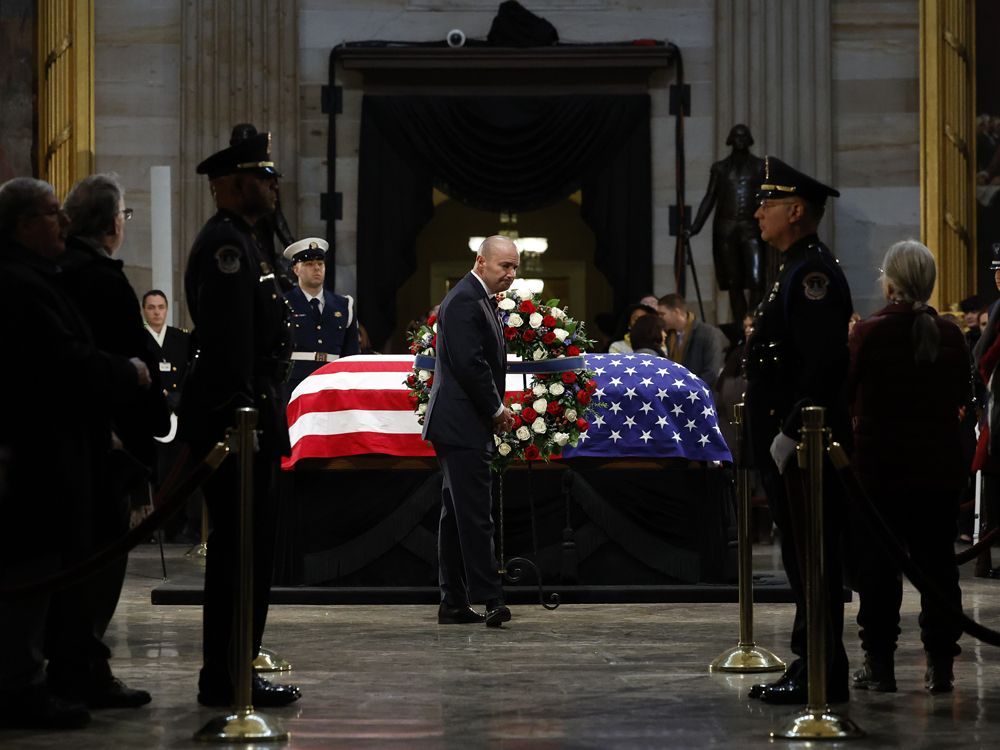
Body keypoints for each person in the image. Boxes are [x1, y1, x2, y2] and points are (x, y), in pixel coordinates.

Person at [0, 177, 150, 729]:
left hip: (58, 447)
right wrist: (128, 375)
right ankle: (23, 685)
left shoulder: (45, 275)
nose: (60, 222)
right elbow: (64, 360)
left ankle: (42, 675)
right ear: (20, 225)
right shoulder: (21, 282)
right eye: (47, 214)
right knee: (38, 569)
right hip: (37, 453)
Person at [178, 130, 301, 707]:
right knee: (237, 556)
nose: (273, 187)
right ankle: (227, 678)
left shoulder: (250, 244)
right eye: (261, 178)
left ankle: (234, 671)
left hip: (254, 418)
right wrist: (247, 417)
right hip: (239, 422)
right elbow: (230, 348)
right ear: (229, 187)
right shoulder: (227, 249)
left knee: (250, 556)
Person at [45, 174, 169, 710]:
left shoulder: (55, 271)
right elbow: (125, 356)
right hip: (102, 445)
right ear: (113, 222)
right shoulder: (96, 276)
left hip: (69, 441)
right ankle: (83, 668)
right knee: (97, 562)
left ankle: (65, 663)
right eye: (124, 216)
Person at [743, 156, 854, 705]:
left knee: (814, 561)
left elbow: (823, 365)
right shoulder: (791, 269)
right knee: (802, 560)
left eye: (769, 203)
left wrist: (790, 432)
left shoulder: (813, 275)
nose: (758, 211)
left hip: (805, 448)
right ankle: (816, 664)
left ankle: (820, 672)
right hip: (790, 445)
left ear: (797, 211)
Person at [847, 240, 967, 694]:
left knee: (878, 570)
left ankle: (879, 664)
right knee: (939, 568)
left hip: (879, 471)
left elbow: (846, 391)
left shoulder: (869, 333)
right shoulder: (952, 335)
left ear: (890, 282)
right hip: (936, 470)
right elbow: (960, 398)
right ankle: (941, 665)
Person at [422, 235, 518, 628]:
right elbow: (470, 364)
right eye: (504, 266)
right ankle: (491, 598)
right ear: (481, 262)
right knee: (475, 514)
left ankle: (454, 602)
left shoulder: (474, 298)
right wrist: (496, 409)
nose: (511, 275)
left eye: (514, 267)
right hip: (462, 423)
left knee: (456, 516)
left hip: (458, 423)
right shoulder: (465, 300)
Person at [684, 124, 766, 323]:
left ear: (749, 139)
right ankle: (740, 325)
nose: (740, 140)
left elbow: (767, 197)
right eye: (736, 136)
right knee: (733, 281)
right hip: (726, 228)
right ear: (730, 139)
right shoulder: (720, 168)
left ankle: (753, 320)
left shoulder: (759, 166)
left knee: (756, 279)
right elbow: (709, 198)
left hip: (751, 227)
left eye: (743, 136)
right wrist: (694, 227)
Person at [142, 289, 200, 542]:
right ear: (144, 310)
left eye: (160, 307)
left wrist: (179, 400)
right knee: (154, 472)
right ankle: (152, 527)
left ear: (167, 309)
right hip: (150, 415)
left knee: (178, 472)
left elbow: (190, 373)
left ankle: (179, 525)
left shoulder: (180, 339)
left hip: (177, 417)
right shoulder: (138, 338)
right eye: (151, 307)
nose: (156, 312)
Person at [283, 237, 360, 395]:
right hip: (295, 383)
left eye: (320, 263)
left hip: (333, 382)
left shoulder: (344, 305)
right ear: (296, 269)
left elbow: (351, 352)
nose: (316, 268)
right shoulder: (284, 303)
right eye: (309, 264)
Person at [657, 293, 727, 385]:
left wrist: (691, 389)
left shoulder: (708, 333)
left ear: (676, 312)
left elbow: (711, 371)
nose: (659, 318)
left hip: (698, 394)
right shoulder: (668, 336)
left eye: (662, 314)